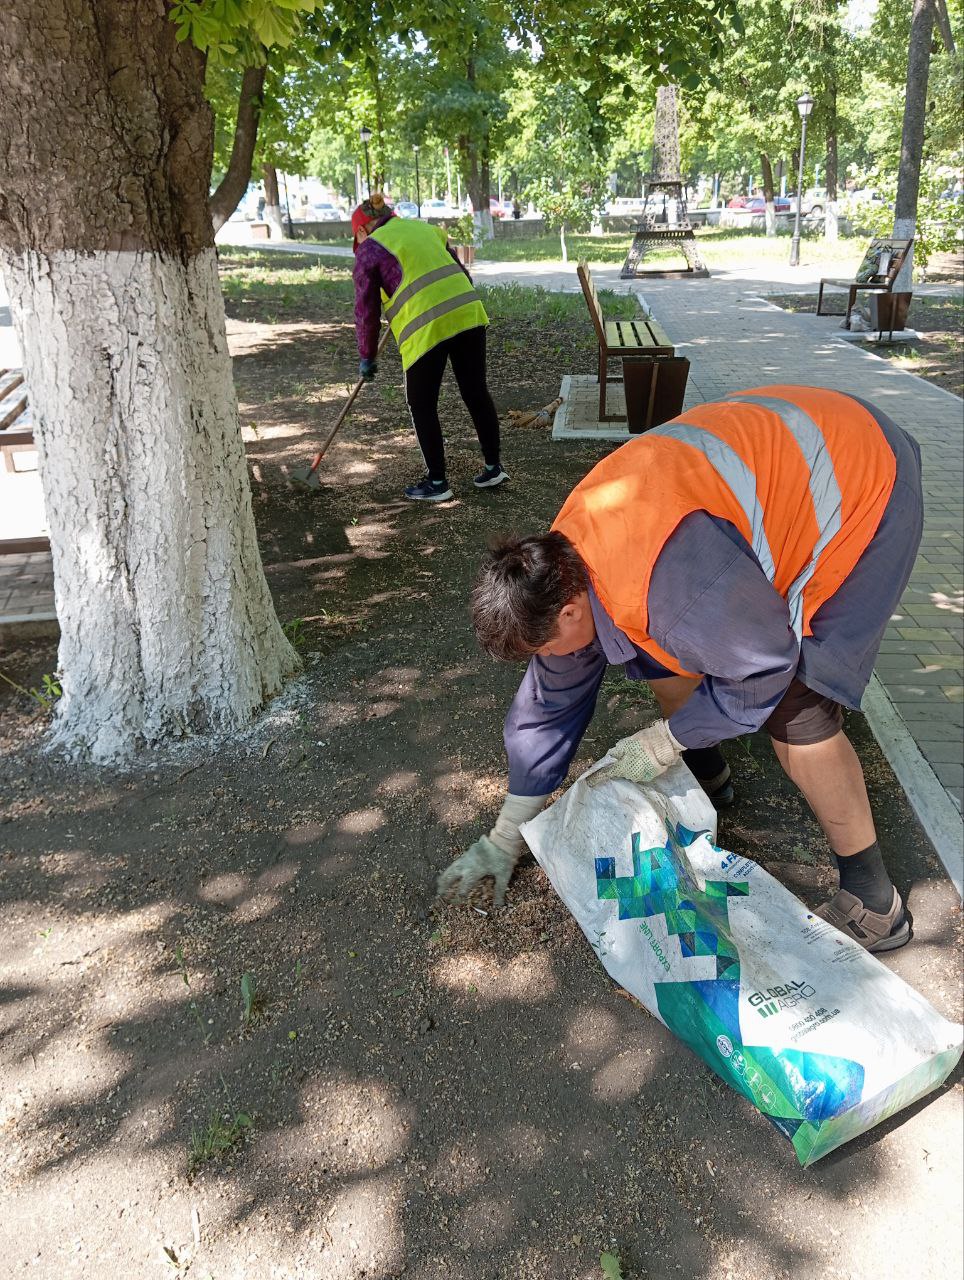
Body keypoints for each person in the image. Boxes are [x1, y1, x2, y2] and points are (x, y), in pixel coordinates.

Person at [438, 385, 924, 954]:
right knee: (652, 650)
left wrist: (667, 739)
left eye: (543, 648)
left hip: (860, 479)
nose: (546, 661)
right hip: (770, 461)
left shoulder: (671, 587)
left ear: (569, 611)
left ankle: (873, 902)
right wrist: (504, 837)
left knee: (797, 704)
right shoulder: (558, 569)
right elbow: (548, 707)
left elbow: (764, 669)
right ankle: (709, 779)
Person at [351, 193, 508, 502]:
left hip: (427, 327)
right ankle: (493, 467)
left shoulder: (369, 251)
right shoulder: (425, 229)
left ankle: (437, 483)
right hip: (468, 313)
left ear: (361, 230)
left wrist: (367, 356)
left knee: (421, 403)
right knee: (475, 390)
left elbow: (366, 311)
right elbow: (460, 272)